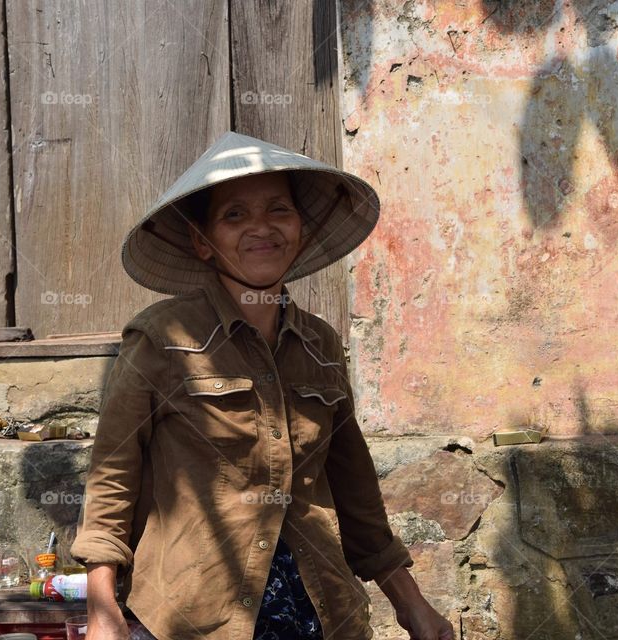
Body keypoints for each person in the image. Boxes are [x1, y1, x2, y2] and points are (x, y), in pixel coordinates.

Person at [71, 131, 454, 640]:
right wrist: (102, 608)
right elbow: (112, 479)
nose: (262, 228)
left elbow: (355, 489)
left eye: (279, 210)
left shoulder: (319, 343)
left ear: (299, 229)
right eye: (234, 215)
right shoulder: (161, 338)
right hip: (196, 616)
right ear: (202, 242)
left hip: (320, 610)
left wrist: (411, 603)